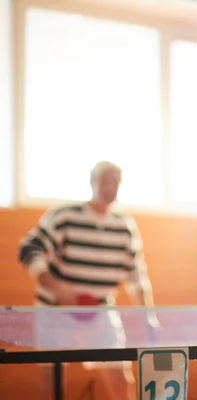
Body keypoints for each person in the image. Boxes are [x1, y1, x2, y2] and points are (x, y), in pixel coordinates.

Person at [18, 161, 158, 400]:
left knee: (120, 380)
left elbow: (137, 278)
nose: (111, 186)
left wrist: (148, 317)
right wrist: (58, 289)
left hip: (101, 311)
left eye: (116, 181)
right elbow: (29, 249)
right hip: (55, 311)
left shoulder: (125, 227)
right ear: (92, 182)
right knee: (52, 383)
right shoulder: (65, 215)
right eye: (105, 180)